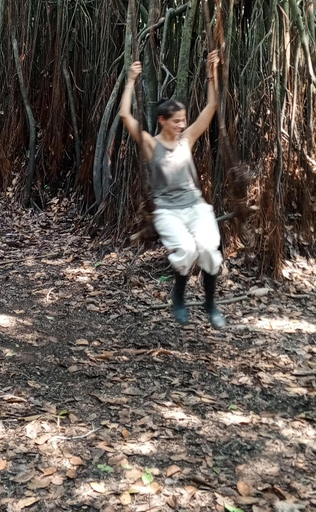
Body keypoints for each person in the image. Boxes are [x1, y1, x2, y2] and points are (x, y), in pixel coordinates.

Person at [119, 51, 225, 329]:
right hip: (168, 211)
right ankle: (178, 295)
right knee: (186, 250)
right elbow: (125, 115)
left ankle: (209, 304)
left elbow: (211, 107)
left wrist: (210, 74)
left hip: (196, 206)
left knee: (209, 251)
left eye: (183, 120)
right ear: (163, 120)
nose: (182, 125)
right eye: (177, 120)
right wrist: (131, 80)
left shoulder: (187, 139)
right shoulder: (150, 144)